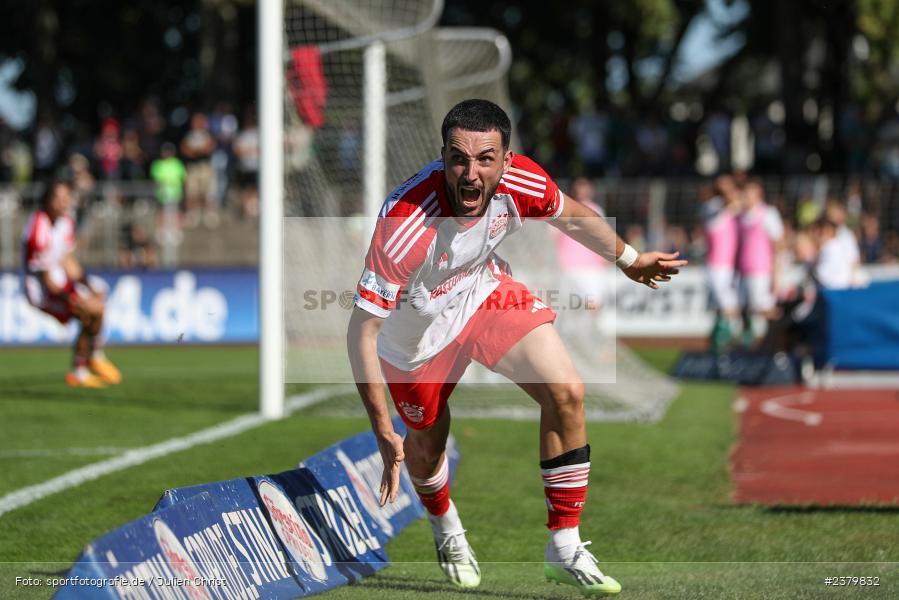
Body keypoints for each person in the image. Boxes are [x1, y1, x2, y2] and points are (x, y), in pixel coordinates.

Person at [346, 100, 685, 596]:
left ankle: (564, 547)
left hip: (484, 294)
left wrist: (628, 259)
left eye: (485, 159)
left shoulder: (521, 180)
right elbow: (361, 331)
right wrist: (381, 428)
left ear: (506, 161)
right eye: (459, 158)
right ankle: (446, 527)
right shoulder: (406, 223)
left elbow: (570, 216)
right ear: (442, 157)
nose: (470, 173)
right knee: (425, 441)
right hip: (413, 340)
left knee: (566, 390)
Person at [21, 179, 122, 388]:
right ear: (48, 200)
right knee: (89, 311)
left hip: (59, 282)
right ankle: (87, 364)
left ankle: (89, 361)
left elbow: (67, 261)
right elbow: (46, 280)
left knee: (98, 302)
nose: (63, 202)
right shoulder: (38, 228)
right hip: (41, 292)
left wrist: (88, 286)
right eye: (58, 198)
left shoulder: (66, 222)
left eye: (67, 198)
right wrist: (73, 298)